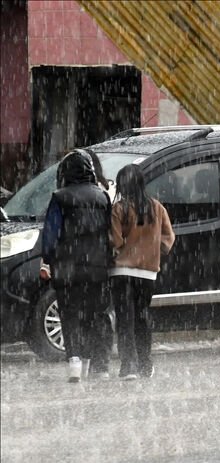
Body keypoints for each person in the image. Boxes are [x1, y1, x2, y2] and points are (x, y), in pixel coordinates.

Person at [40, 149, 113, 382]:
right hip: (98, 268)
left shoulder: (60, 197)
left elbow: (51, 234)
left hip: (67, 269)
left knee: (70, 315)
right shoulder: (102, 198)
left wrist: (49, 259)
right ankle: (96, 365)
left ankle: (75, 363)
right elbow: (110, 234)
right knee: (95, 315)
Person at [109, 164, 175, 380]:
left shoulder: (119, 209)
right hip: (147, 273)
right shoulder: (156, 208)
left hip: (122, 271)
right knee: (141, 316)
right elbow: (169, 237)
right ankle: (146, 364)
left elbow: (114, 240)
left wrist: (121, 252)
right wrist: (156, 251)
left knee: (124, 318)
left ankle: (128, 366)